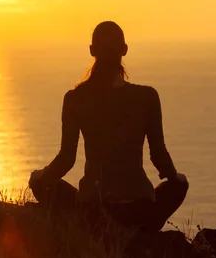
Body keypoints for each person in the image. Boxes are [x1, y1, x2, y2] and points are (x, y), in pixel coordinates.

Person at [29, 21, 189, 232]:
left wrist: (42, 176)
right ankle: (141, 233)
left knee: (40, 183)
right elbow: (159, 156)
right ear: (124, 50)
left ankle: (95, 231)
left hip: (93, 210)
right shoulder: (147, 97)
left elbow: (66, 159)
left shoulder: (75, 99)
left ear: (92, 51)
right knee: (179, 186)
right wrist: (175, 177)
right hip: (139, 207)